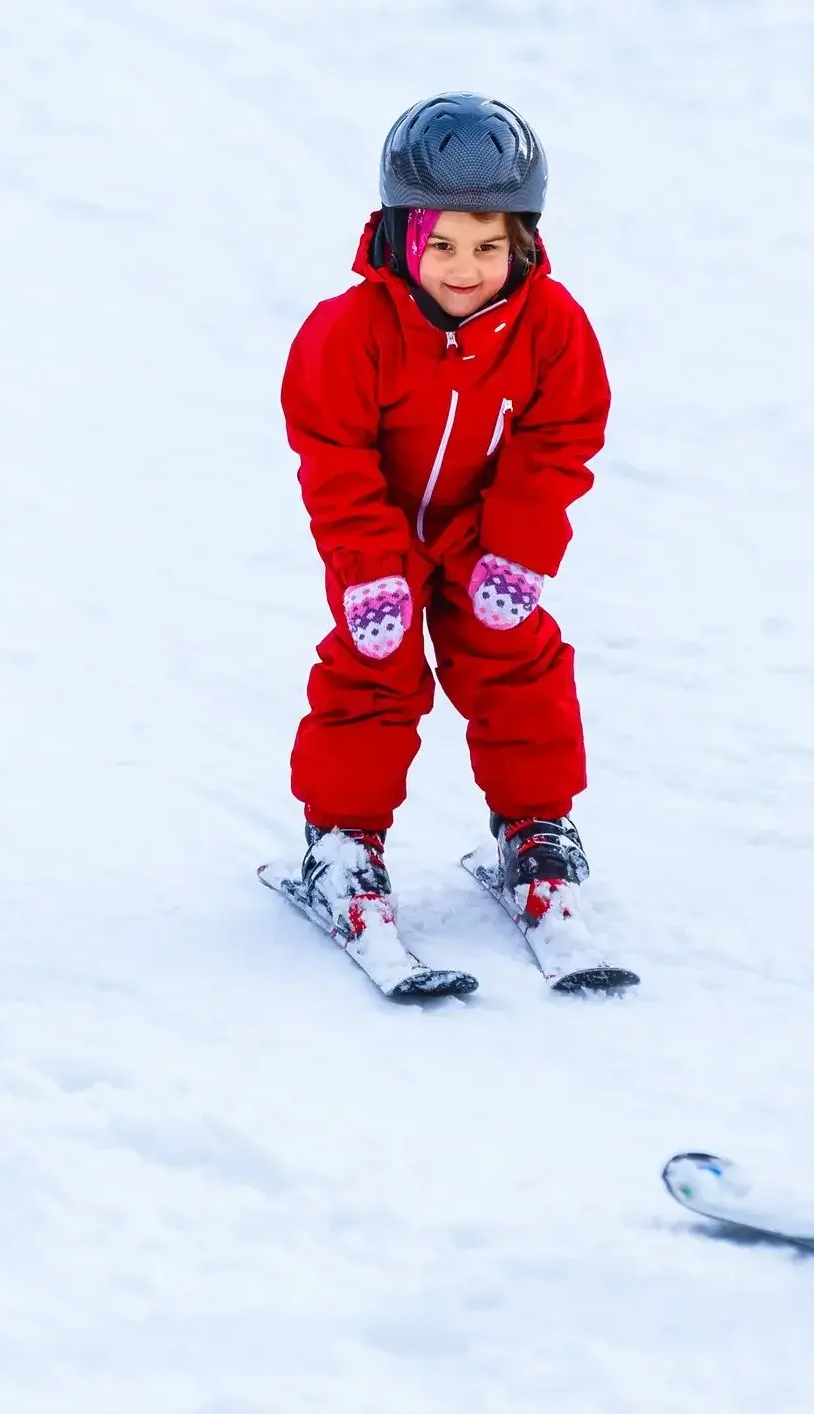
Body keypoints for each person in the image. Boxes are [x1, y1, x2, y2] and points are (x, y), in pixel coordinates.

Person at [278, 93, 609, 946]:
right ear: (401, 234)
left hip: (484, 534)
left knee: (519, 666)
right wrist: (367, 566)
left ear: (522, 243)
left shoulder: (552, 328)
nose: (465, 268)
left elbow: (560, 439)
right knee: (372, 673)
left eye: (489, 247)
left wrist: (519, 550)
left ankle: (533, 828)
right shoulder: (347, 331)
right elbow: (334, 455)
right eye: (443, 245)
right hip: (379, 536)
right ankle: (343, 844)